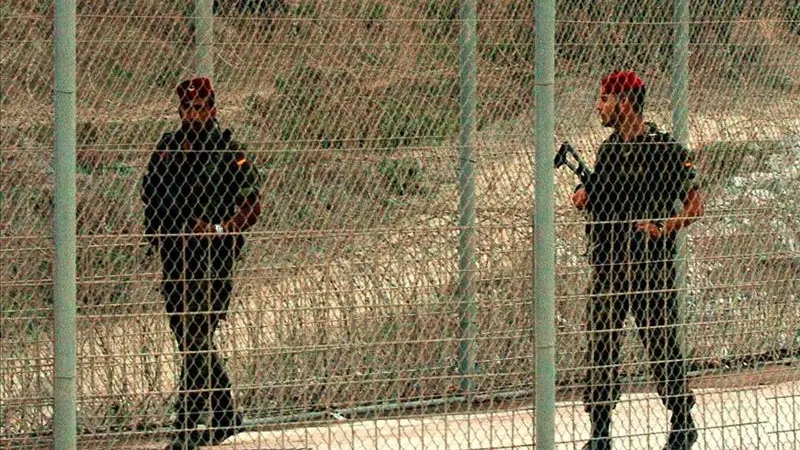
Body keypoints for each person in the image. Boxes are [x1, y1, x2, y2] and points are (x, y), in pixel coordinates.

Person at [571, 70, 704, 450]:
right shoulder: (608, 150)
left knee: (662, 345)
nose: (599, 106)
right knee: (601, 346)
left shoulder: (664, 149)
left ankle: (682, 423)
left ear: (624, 102)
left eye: (604, 100)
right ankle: (600, 432)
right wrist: (584, 193)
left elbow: (695, 206)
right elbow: (604, 194)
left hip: (650, 267)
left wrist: (665, 225)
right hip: (609, 264)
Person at [141, 77, 261, 449]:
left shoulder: (228, 152)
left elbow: (251, 206)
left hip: (213, 259)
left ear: (212, 109)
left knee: (195, 337)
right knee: (188, 336)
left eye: (200, 108)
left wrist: (219, 228)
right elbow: (151, 195)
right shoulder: (168, 149)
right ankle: (224, 413)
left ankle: (187, 426)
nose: (193, 114)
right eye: (188, 108)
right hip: (175, 257)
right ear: (180, 110)